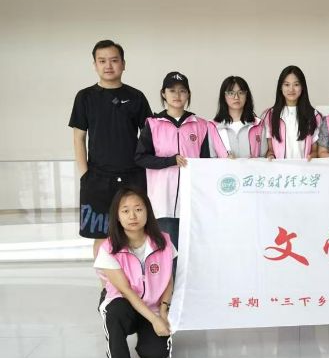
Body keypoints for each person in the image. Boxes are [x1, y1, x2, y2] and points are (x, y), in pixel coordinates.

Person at [68, 40, 151, 259]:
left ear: (123, 64)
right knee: (101, 236)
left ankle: (135, 278)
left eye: (114, 60)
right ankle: (106, 281)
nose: (108, 66)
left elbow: (150, 136)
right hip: (97, 177)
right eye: (102, 61)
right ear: (94, 65)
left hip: (133, 175)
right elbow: (78, 138)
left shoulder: (136, 96)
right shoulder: (85, 97)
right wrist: (85, 175)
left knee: (135, 232)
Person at [94, 186, 175, 358]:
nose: (132, 216)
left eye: (138, 209)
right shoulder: (108, 249)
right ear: (117, 216)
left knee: (156, 355)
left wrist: (163, 312)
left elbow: (169, 279)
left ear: (148, 212)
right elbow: (126, 291)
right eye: (125, 210)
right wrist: (155, 320)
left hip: (153, 304)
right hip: (123, 302)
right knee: (116, 313)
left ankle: (145, 332)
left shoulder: (164, 241)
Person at [134, 71, 228, 250]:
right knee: (166, 251)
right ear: (163, 94)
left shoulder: (201, 125)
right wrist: (169, 161)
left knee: (193, 251)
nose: (177, 95)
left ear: (188, 94)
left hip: (193, 200)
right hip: (162, 202)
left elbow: (206, 162)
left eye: (182, 91)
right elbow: (141, 158)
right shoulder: (153, 124)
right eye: (172, 90)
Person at [263, 66, 322, 160]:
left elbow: (315, 150)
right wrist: (270, 156)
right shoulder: (270, 115)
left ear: (302, 87)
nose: (291, 89)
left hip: (305, 168)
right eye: (287, 85)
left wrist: (311, 156)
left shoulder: (314, 115)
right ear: (280, 87)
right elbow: (270, 149)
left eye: (296, 84)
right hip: (279, 169)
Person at [213, 75, 267, 158]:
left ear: (246, 96)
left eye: (241, 93)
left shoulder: (259, 124)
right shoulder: (213, 126)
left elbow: (264, 157)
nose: (236, 97)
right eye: (231, 93)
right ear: (224, 97)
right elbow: (209, 160)